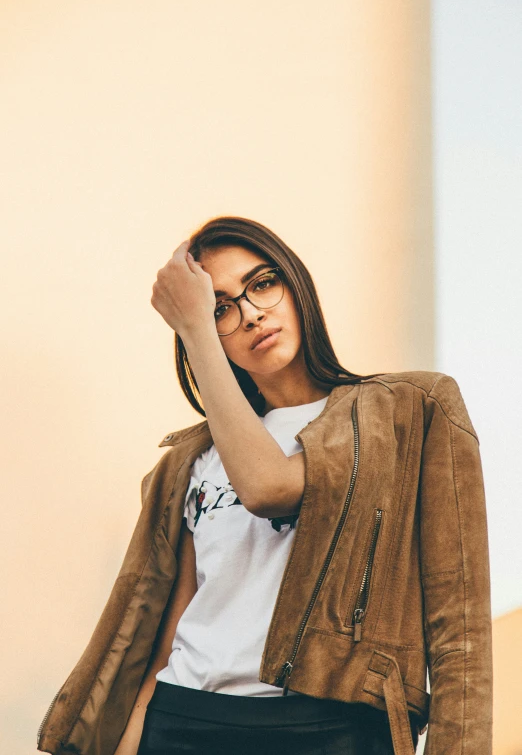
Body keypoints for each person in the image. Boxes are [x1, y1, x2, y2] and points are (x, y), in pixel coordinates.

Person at [37, 216, 492, 755]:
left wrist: (194, 327)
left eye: (262, 283)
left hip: (331, 729)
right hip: (183, 716)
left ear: (294, 284)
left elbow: (459, 635)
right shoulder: (191, 459)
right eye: (220, 308)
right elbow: (170, 639)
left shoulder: (408, 412)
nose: (251, 314)